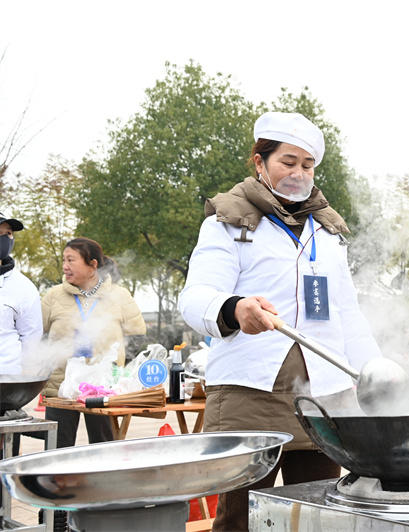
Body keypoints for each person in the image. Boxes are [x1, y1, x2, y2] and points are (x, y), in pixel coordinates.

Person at [179, 111, 382, 531]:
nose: (298, 173)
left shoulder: (326, 232)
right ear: (260, 162)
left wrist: (374, 372)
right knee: (240, 518)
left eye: (307, 165)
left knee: (318, 517)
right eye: (288, 162)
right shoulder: (227, 221)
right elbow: (195, 296)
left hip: (323, 396)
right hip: (250, 393)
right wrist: (235, 308)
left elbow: (347, 314)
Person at [41, 237, 146, 447]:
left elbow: (137, 336)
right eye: (64, 260)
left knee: (104, 448)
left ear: (93, 265)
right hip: (60, 388)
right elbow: (37, 336)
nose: (65, 266)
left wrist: (120, 376)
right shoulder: (52, 296)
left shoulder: (119, 296)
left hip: (103, 389)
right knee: (56, 450)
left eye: (71, 260)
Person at [0, 212, 43, 376]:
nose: (4, 238)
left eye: (8, 233)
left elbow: (31, 341)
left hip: (7, 379)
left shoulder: (23, 287)